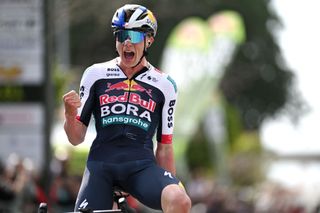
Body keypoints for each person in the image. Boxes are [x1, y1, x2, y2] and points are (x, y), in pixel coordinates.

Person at [62, 4, 191, 213]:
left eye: (134, 35)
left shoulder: (164, 85)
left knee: (180, 201)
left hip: (141, 166)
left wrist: (170, 188)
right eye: (121, 35)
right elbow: (76, 138)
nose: (127, 42)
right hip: (101, 166)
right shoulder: (95, 74)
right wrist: (69, 114)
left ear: (149, 40)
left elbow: (165, 147)